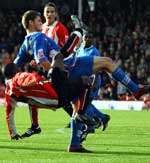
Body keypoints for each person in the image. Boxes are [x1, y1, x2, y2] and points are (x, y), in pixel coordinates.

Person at [14, 10, 150, 152]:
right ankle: (136, 90)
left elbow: (15, 66)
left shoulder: (25, 43)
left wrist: (27, 75)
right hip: (68, 67)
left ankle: (74, 144)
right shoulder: (38, 37)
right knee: (107, 63)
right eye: (38, 20)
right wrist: (54, 73)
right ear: (30, 22)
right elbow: (42, 59)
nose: (41, 22)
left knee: (77, 104)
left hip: (64, 71)